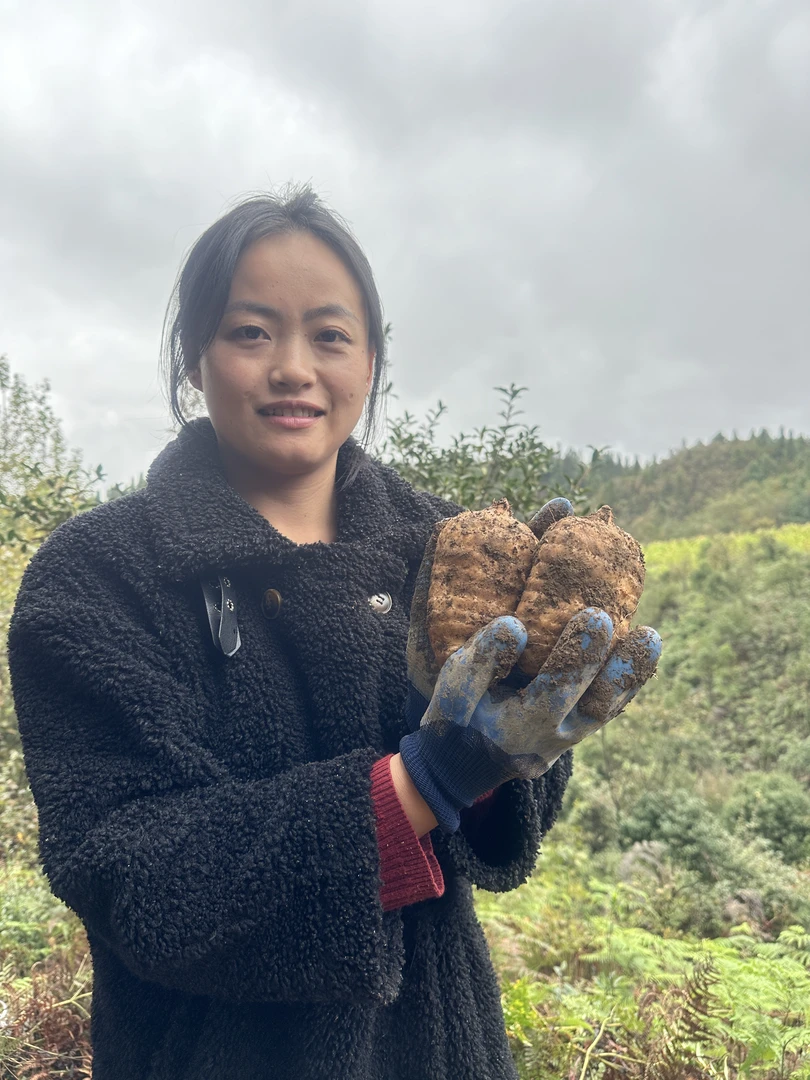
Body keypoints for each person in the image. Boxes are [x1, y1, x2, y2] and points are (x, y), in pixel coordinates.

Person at [8, 185, 661, 1080]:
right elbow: (134, 876)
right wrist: (420, 784)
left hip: (439, 1047)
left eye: (329, 334)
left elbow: (521, 817)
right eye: (250, 332)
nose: (291, 367)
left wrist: (522, 726)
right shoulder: (103, 573)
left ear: (371, 363)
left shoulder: (444, 546)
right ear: (195, 358)